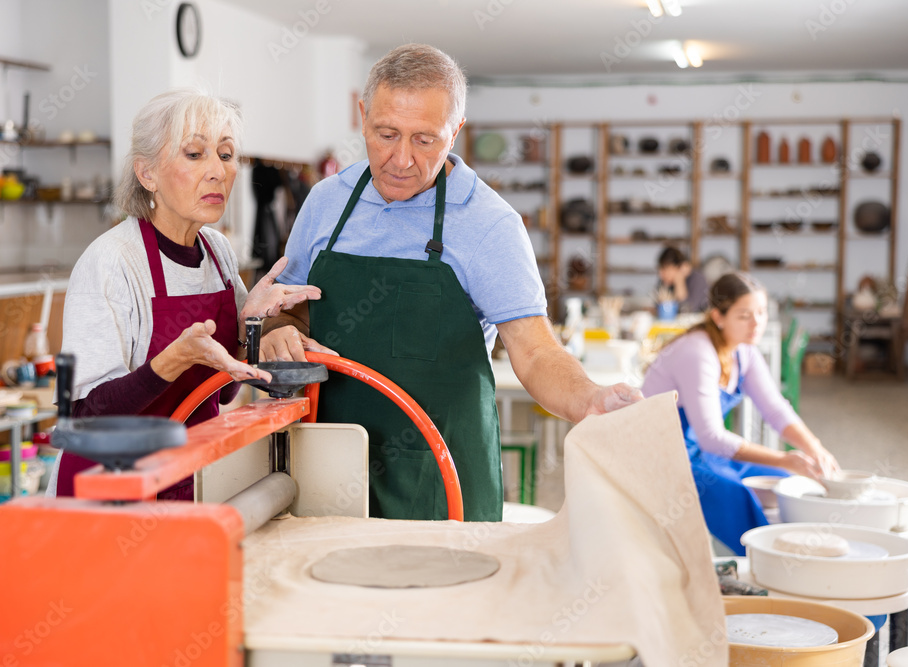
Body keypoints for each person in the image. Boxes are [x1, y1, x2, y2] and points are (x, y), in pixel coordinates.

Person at [259, 44, 642, 522]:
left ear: (456, 132)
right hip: (330, 462)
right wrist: (278, 331)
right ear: (362, 115)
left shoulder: (488, 223)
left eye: (425, 140)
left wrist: (590, 399)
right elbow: (293, 307)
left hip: (439, 477)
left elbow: (536, 352)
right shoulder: (324, 203)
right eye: (386, 134)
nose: (401, 159)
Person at [48, 89, 321, 499]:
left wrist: (253, 326)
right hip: (109, 488)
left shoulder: (218, 253)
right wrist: (172, 361)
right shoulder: (112, 261)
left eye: (226, 155)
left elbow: (224, 390)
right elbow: (85, 416)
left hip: (190, 474)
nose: (217, 171)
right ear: (147, 173)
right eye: (194, 154)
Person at [641, 272, 839, 555]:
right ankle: (759, 568)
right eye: (744, 315)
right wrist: (785, 457)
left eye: (761, 312)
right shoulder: (697, 352)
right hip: (659, 456)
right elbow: (712, 438)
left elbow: (775, 408)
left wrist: (815, 448)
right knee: (738, 494)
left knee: (787, 481)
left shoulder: (743, 351)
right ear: (718, 317)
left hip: (699, 451)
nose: (756, 323)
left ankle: (797, 554)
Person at [657, 246, 710, 313]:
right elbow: (659, 306)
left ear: (680, 267)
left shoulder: (698, 280)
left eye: (665, 269)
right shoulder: (666, 283)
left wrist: (679, 281)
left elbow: (686, 310)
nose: (661, 275)